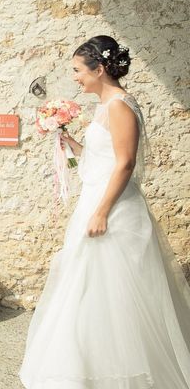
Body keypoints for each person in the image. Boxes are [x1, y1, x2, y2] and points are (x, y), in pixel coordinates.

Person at [20, 35, 190, 388]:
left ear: (100, 69)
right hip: (95, 203)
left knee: (117, 293)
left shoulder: (119, 106)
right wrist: (72, 144)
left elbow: (126, 164)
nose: (76, 78)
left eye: (78, 71)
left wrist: (101, 212)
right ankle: (84, 364)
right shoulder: (106, 105)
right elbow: (105, 159)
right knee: (87, 288)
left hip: (112, 211)